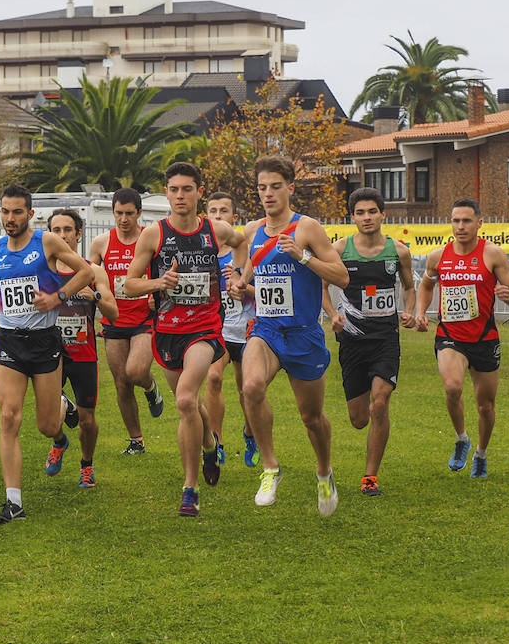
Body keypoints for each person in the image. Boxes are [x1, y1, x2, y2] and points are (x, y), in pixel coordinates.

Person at [124, 163, 249, 517]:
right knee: (191, 405)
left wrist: (236, 274)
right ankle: (209, 444)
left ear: (199, 192)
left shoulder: (216, 229)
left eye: (187, 189)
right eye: (174, 189)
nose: (180, 196)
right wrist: (158, 284)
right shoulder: (154, 235)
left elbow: (243, 244)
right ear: (166, 192)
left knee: (183, 401)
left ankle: (189, 489)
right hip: (166, 332)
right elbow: (130, 285)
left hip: (205, 330)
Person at [228, 155, 351, 515]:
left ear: (290, 188)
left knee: (311, 417)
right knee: (250, 387)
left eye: (275, 187)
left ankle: (324, 471)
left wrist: (304, 257)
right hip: (266, 328)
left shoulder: (307, 228)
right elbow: (251, 275)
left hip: (304, 333)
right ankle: (270, 468)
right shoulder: (252, 231)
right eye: (262, 187)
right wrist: (240, 285)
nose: (268, 194)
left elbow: (341, 277)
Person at [0, 183, 93, 525]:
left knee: (46, 425)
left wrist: (57, 298)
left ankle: (62, 411)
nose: (9, 219)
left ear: (30, 214)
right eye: (5, 212)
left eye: (16, 212)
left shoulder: (47, 242)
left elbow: (85, 271)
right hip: (10, 340)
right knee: (9, 416)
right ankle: (14, 502)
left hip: (44, 343)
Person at [320, 188, 417, 497]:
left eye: (372, 211)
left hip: (385, 338)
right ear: (352, 217)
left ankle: (370, 477)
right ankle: (369, 431)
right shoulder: (339, 249)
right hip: (351, 340)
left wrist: (411, 312)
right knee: (359, 419)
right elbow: (321, 286)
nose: (366, 217)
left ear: (382, 214)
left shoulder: (398, 251)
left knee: (380, 401)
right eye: (360, 213)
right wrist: (332, 314)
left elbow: (410, 287)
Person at [415, 199, 509, 479]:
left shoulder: (492, 254)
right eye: (455, 221)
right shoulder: (438, 256)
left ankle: (481, 454)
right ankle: (462, 438)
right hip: (450, 335)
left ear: (479, 223)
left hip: (485, 338)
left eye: (466, 221)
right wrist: (420, 312)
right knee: (452, 387)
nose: (460, 226)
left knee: (485, 406)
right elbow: (426, 285)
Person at [87, 187, 166, 456]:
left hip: (144, 318)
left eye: (129, 214)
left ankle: (152, 387)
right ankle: (136, 441)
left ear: (139, 213)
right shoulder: (100, 243)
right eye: (119, 213)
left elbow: (164, 273)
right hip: (114, 321)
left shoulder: (150, 238)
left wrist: (158, 295)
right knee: (121, 382)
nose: (123, 219)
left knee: (135, 371)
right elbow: (88, 274)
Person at [44, 209, 117, 489]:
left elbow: (115, 314)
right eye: (56, 230)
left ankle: (87, 466)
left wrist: (95, 295)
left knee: (87, 421)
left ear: (78, 233)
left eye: (67, 230)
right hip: (50, 352)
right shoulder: (44, 270)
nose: (62, 236)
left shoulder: (93, 270)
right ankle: (59, 441)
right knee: (50, 415)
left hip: (84, 353)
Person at [204, 192, 259, 468]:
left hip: (247, 330)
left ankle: (250, 434)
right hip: (218, 331)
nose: (217, 216)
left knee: (246, 390)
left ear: (233, 218)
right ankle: (217, 441)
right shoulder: (201, 252)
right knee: (213, 378)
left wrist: (242, 286)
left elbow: (266, 293)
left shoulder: (245, 250)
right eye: (212, 211)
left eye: (223, 211)